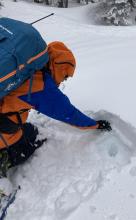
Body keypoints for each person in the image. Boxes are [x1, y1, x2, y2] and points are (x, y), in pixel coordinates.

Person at [0, 41, 111, 180]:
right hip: (3, 127)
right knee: (31, 139)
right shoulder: (42, 87)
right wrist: (96, 125)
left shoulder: (27, 67)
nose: (63, 81)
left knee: (29, 131)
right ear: (60, 68)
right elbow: (70, 114)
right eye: (65, 76)